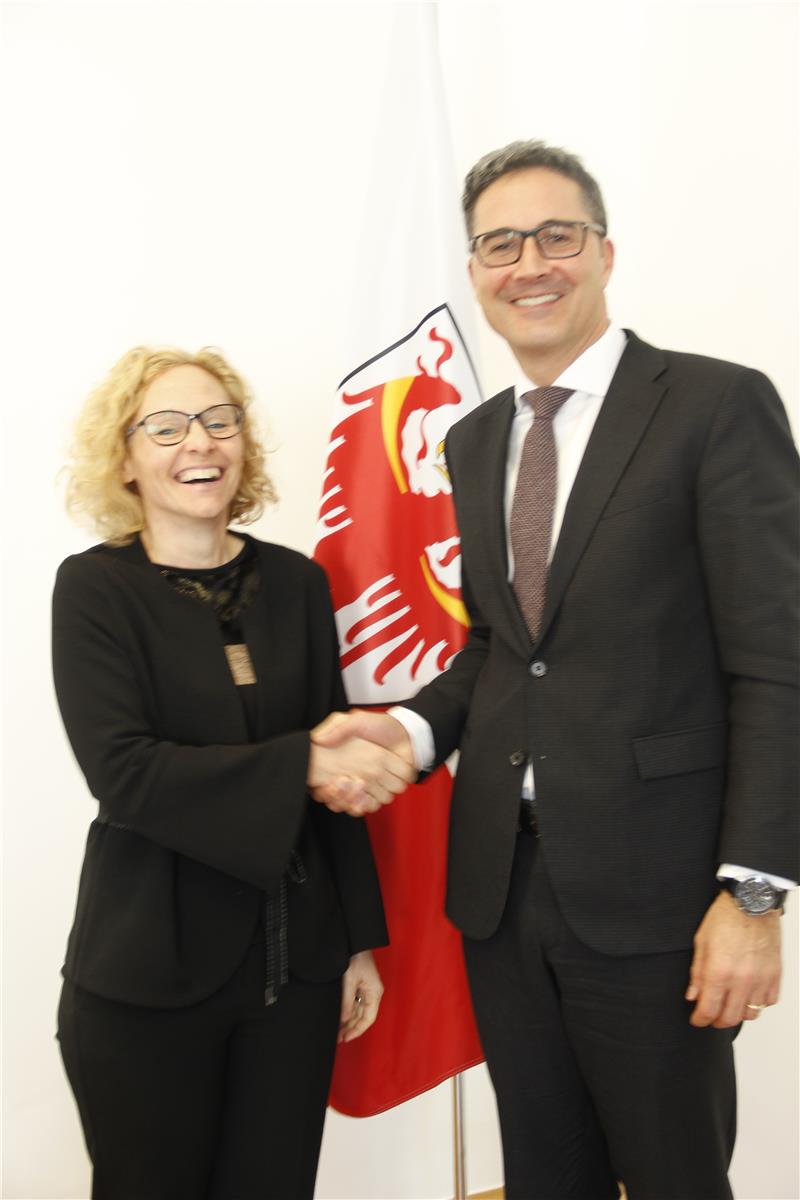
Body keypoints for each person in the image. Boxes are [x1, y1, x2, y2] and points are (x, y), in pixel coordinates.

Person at [312, 141, 799, 1199]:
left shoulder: (714, 406)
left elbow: (778, 665)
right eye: (500, 244)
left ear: (604, 252)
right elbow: (502, 647)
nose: (528, 263)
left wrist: (754, 896)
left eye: (555, 235)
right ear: (475, 271)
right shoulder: (475, 438)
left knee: (673, 1176)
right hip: (503, 890)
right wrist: (406, 731)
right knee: (544, 1176)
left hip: (658, 895)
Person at [52, 345, 415, 1200]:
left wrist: (356, 940)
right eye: (166, 427)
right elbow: (125, 773)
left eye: (220, 421)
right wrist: (303, 761)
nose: (199, 442)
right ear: (125, 459)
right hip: (149, 971)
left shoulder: (297, 581)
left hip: (296, 971)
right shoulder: (94, 589)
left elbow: (335, 781)